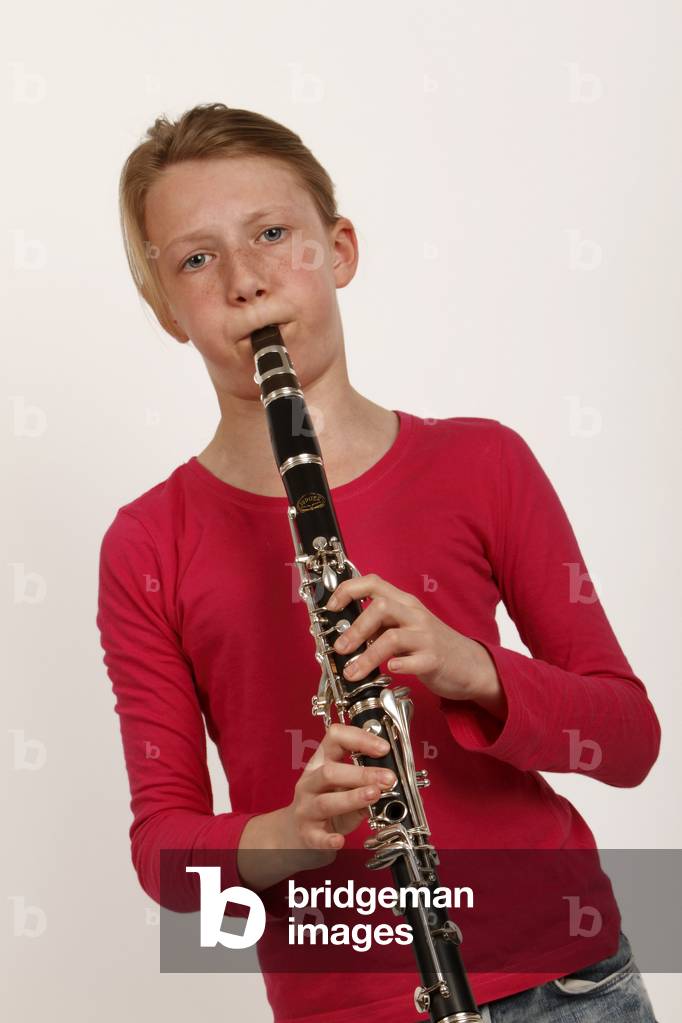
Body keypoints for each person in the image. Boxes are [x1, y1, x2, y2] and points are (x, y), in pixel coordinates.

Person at [97, 102, 661, 1022]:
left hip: (568, 983)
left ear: (341, 249)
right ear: (166, 309)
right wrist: (293, 830)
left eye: (273, 233)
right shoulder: (148, 542)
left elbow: (632, 740)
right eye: (197, 259)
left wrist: (471, 667)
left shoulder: (483, 461)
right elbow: (163, 852)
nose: (245, 281)